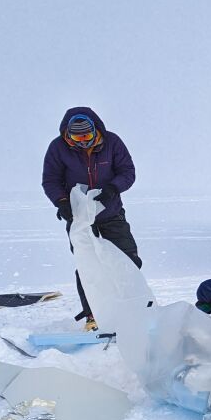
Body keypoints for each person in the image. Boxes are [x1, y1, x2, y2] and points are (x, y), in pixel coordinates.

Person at [40, 108, 139, 330]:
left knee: (128, 259)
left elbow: (128, 171)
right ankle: (94, 316)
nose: (83, 141)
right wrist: (62, 202)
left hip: (111, 214)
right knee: (88, 267)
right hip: (79, 219)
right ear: (68, 134)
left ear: (95, 130)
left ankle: (132, 309)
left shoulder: (112, 142)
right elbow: (51, 180)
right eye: (77, 137)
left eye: (87, 136)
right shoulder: (58, 148)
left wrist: (114, 188)